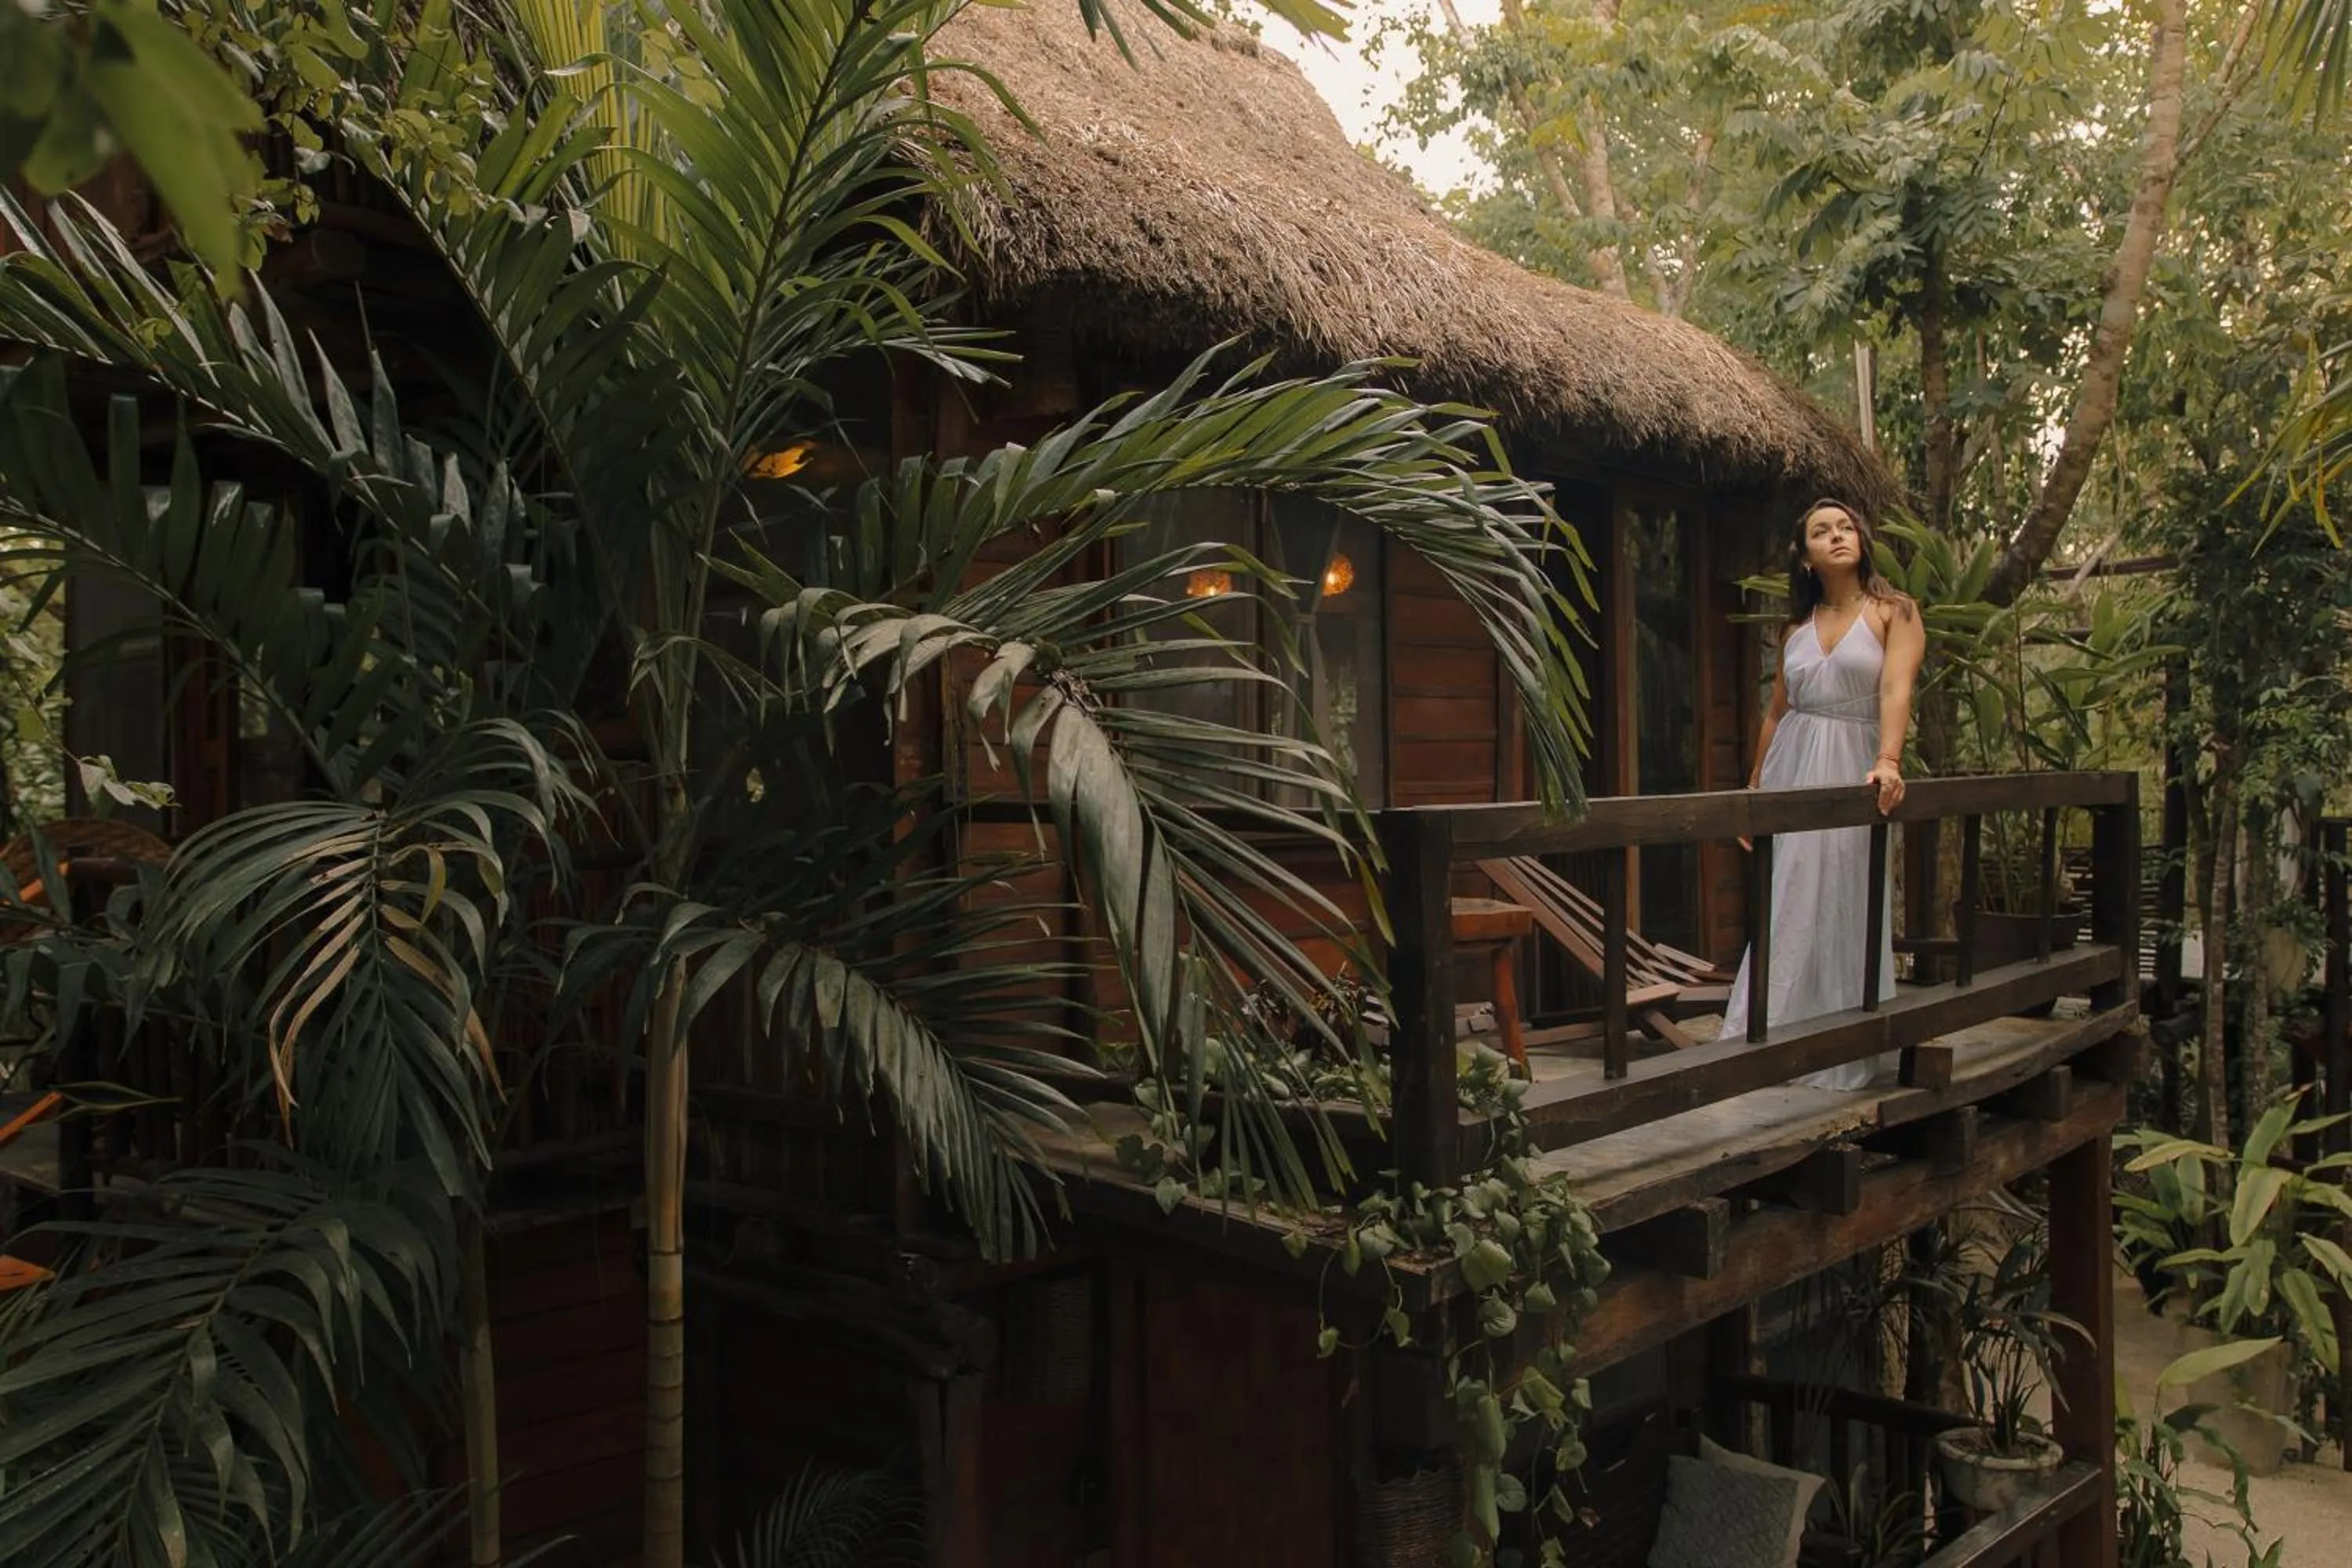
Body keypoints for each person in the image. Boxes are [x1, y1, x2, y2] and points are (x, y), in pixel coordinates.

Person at [1721, 498, 1926, 1087]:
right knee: (1790, 895)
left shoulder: (1895, 612)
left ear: (1861, 538)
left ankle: (1842, 1042)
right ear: (1806, 557)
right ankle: (1769, 1032)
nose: (1837, 536)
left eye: (1845, 527)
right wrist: (1755, 790)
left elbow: (1895, 690)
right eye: (1821, 531)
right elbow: (1777, 711)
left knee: (1845, 891)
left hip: (1855, 762)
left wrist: (1888, 759)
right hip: (1795, 764)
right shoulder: (1795, 630)